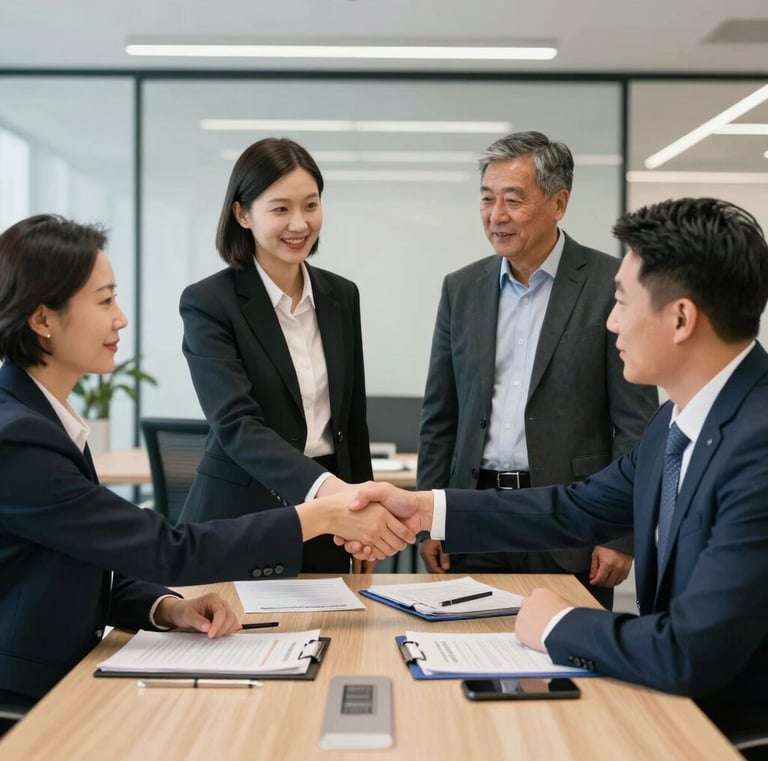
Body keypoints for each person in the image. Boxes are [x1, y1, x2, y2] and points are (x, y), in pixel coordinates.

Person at [342, 197, 768, 738]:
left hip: (721, 734)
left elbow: (687, 651)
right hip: (672, 706)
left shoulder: (758, 450)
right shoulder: (673, 424)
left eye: (621, 302)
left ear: (680, 318)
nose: (611, 323)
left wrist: (558, 622)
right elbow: (573, 507)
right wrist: (426, 508)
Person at [0, 214, 412, 723]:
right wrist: (321, 516)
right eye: (104, 301)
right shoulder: (17, 438)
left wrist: (167, 609)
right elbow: (164, 549)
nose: (121, 319)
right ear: (43, 320)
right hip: (29, 695)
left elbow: (88, 562)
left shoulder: (43, 418)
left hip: (68, 673)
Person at [418, 131, 658, 609]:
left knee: (564, 672)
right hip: (474, 515)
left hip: (571, 525)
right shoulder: (462, 288)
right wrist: (431, 516)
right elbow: (440, 415)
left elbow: (636, 426)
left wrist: (620, 530)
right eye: (487, 199)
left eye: (513, 199)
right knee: (465, 662)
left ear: (559, 202)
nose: (496, 215)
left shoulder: (610, 285)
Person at [177, 137, 373, 573]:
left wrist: (360, 519)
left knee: (337, 639)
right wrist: (331, 492)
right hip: (244, 516)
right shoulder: (209, 302)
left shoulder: (341, 295)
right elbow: (237, 426)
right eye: (280, 208)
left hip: (332, 520)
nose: (299, 224)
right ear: (242, 214)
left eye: (311, 205)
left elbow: (351, 422)